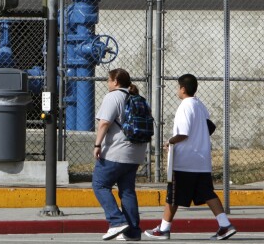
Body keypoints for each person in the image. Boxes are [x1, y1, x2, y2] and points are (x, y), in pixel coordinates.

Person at [145, 73, 237, 241]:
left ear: (183, 89)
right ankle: (225, 225)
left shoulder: (185, 106)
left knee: (172, 195)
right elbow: (210, 127)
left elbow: (183, 134)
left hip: (185, 161)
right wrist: (198, 137)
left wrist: (168, 142)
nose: (176, 91)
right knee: (208, 193)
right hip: (201, 160)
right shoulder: (199, 105)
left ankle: (164, 229)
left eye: (177, 87)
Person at [92, 68, 147, 241]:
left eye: (108, 80)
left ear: (115, 82)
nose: (108, 84)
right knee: (127, 190)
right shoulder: (138, 98)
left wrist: (97, 144)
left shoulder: (113, 96)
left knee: (100, 184)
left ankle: (116, 221)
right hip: (136, 153)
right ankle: (132, 231)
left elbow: (104, 123)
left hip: (117, 151)